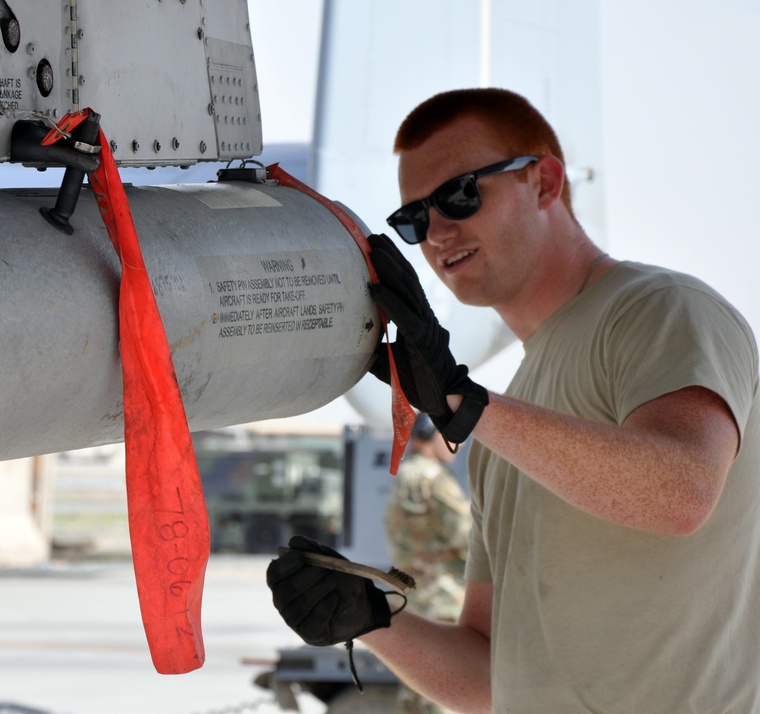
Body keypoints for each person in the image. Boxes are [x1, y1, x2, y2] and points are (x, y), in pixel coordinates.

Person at [267, 87, 760, 713]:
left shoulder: (660, 310)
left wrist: (464, 404)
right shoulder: (510, 420)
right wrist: (367, 619)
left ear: (544, 182)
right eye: (415, 219)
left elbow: (681, 491)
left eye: (460, 195)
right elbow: (489, 675)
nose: (438, 232)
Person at [386, 412, 470, 714]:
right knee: (446, 690)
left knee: (417, 688)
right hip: (444, 599)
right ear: (430, 435)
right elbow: (469, 538)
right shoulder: (433, 478)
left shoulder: (406, 475)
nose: (458, 445)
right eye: (452, 437)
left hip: (416, 596)